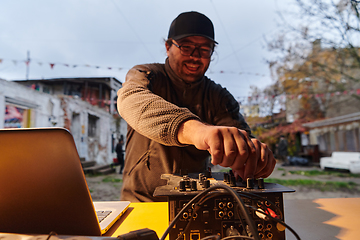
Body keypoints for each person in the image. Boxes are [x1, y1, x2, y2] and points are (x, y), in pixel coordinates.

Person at [117, 11, 276, 202]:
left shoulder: (219, 97)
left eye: (204, 49)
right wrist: (197, 130)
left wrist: (254, 155)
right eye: (186, 47)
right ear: (168, 47)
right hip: (142, 200)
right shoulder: (146, 75)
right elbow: (130, 99)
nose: (195, 56)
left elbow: (241, 140)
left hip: (195, 203)